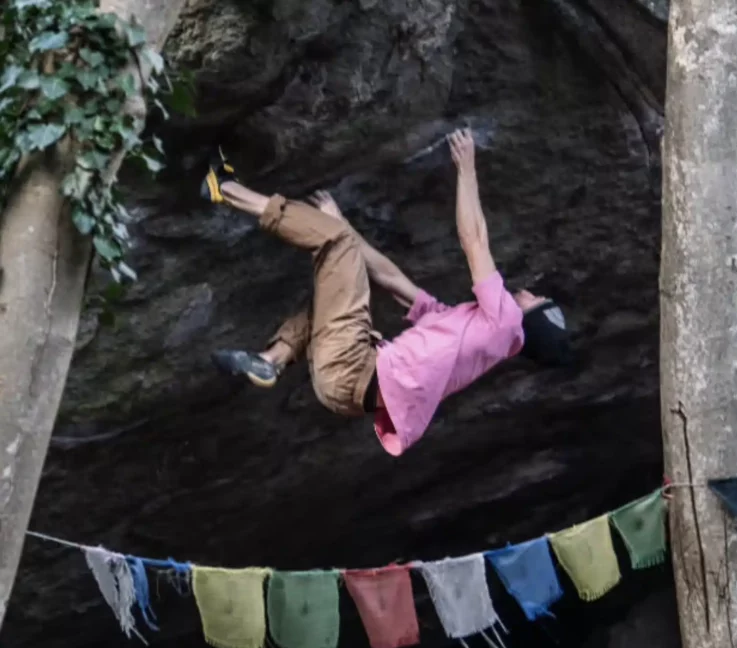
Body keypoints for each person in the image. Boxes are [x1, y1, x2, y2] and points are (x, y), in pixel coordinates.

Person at [200, 128, 572, 456]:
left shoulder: (506, 321)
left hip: (354, 367)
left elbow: (474, 239)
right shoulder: (470, 337)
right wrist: (344, 221)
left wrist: (467, 168)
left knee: (334, 242)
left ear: (533, 319)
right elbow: (393, 281)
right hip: (346, 389)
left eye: (538, 299)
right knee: (337, 290)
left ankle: (225, 188)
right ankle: (272, 360)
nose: (531, 292)